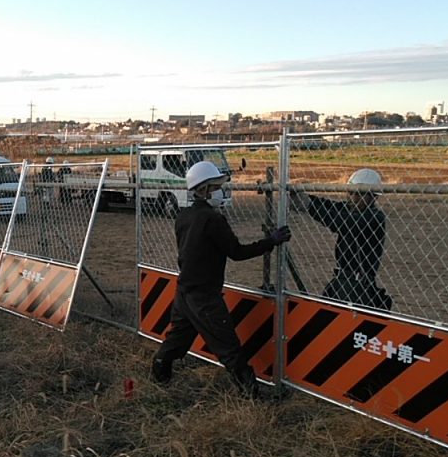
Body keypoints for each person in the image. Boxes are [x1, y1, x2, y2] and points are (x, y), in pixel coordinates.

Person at [150, 161, 292, 398]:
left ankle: (159, 372)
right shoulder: (213, 220)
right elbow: (237, 252)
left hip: (184, 290)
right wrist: (271, 241)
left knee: (178, 338)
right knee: (228, 346)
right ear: (204, 189)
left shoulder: (184, 216)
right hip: (205, 295)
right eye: (217, 186)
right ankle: (251, 395)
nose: (222, 190)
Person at [290, 167, 391, 310]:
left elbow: (343, 222)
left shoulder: (374, 217)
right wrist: (302, 196)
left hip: (358, 284)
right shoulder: (350, 208)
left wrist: (308, 204)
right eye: (350, 193)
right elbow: (328, 205)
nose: (353, 198)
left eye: (360, 194)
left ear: (373, 197)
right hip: (341, 279)